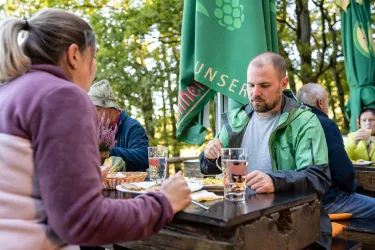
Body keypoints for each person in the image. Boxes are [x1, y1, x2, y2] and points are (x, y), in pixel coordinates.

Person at [0, 9, 191, 250]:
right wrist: (164, 202)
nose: (95, 66)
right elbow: (83, 221)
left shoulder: (8, 91)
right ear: (74, 55)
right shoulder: (62, 95)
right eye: (94, 56)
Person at [200, 52, 331, 249]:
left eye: (264, 86)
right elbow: (206, 168)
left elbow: (318, 178)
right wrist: (209, 155)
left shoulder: (305, 121)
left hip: (294, 224)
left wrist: (274, 180)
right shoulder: (237, 119)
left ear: (283, 83)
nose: (255, 93)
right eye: (251, 85)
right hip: (242, 220)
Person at [297, 83, 375, 218]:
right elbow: (344, 171)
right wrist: (352, 188)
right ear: (320, 103)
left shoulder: (292, 124)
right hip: (328, 199)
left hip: (301, 200)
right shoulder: (325, 124)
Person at [88, 79, 149, 172]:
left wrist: (108, 151)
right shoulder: (96, 130)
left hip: (131, 185)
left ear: (109, 107)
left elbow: (143, 157)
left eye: (96, 110)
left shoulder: (133, 127)